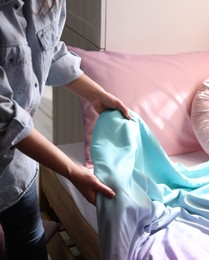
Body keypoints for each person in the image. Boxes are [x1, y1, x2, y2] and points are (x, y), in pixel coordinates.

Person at [0, 0, 130, 258]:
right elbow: (5, 117)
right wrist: (72, 171)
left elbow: (49, 52)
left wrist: (96, 95)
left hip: (16, 172)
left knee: (28, 239)